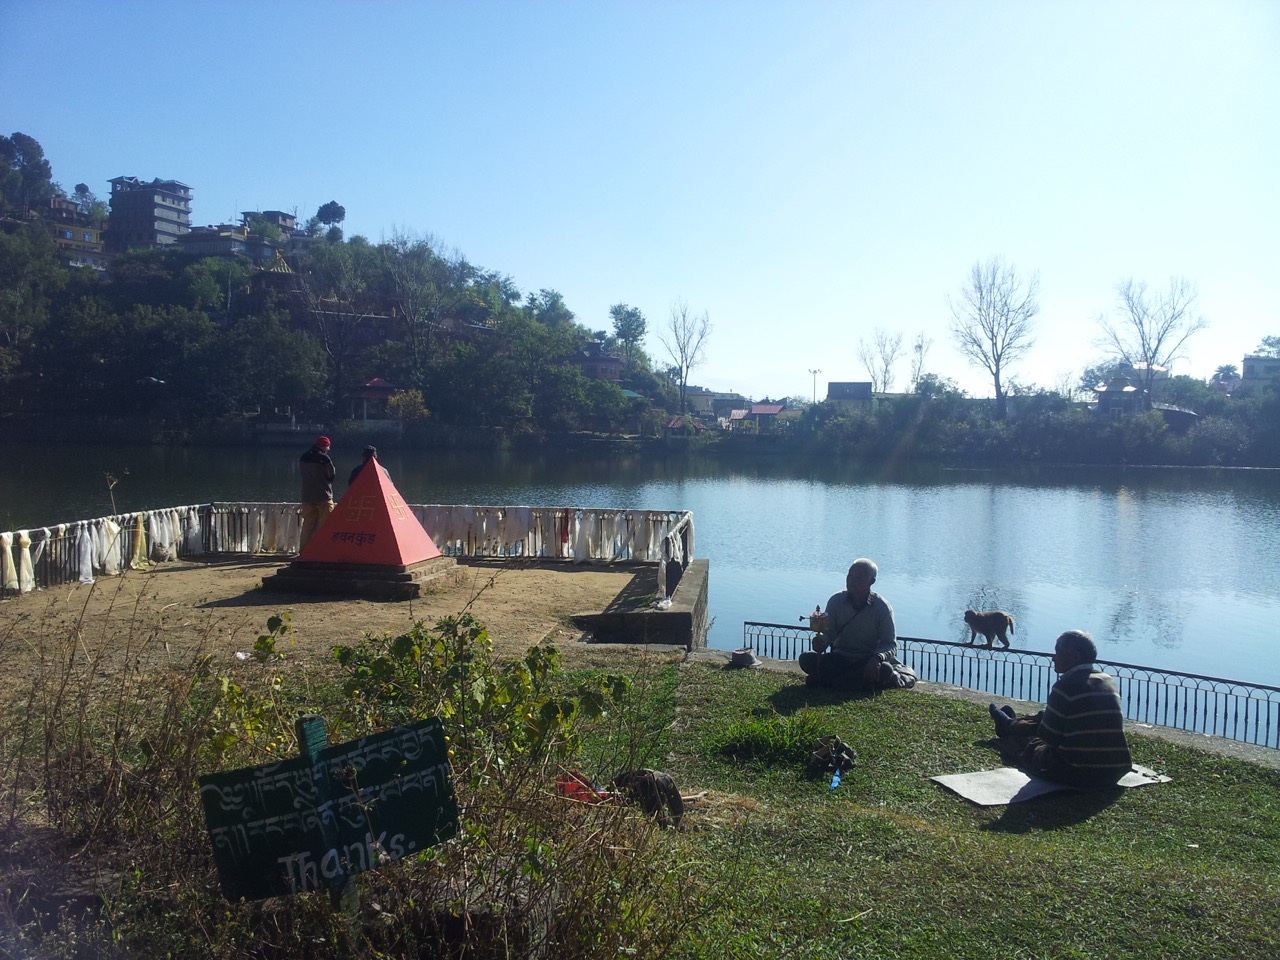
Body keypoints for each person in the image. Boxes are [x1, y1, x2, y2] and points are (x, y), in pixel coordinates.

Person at [988, 629, 1133, 788]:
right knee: (1046, 718)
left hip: (1075, 771)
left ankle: (1008, 726)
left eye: (1058, 653)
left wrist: (1041, 725)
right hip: (1115, 770)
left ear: (1075, 657)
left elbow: (1049, 737)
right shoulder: (1107, 681)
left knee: (1031, 745)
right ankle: (1011, 723)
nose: (1053, 658)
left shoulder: (1065, 686)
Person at [799, 558, 915, 690]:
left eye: (859, 577)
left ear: (871, 581)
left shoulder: (882, 607)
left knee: (885, 669)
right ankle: (852, 683)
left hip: (866, 661)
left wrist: (877, 658)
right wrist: (821, 642)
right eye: (850, 575)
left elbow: (890, 644)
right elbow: (829, 632)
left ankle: (831, 681)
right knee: (805, 659)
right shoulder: (836, 601)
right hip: (839, 658)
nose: (852, 579)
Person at [298, 435, 335, 552]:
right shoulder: (325, 459)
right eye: (328, 447)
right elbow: (331, 476)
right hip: (323, 495)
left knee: (308, 524)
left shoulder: (304, 457)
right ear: (324, 447)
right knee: (325, 524)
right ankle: (321, 550)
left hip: (307, 495)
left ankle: (304, 550)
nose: (328, 449)